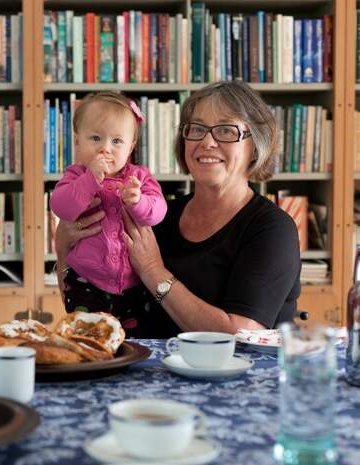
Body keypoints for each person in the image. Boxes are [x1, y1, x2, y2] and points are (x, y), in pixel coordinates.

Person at [55, 81, 301, 338]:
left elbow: (240, 334)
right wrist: (63, 251)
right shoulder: (153, 215)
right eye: (196, 129)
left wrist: (153, 270)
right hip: (155, 371)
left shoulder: (272, 229)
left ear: (255, 146)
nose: (207, 142)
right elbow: (89, 311)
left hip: (244, 375)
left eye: (226, 131)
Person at [49, 91, 167, 316]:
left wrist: (138, 201)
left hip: (134, 283)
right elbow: (60, 207)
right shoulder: (76, 175)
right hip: (85, 280)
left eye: (116, 141)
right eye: (95, 138)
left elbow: (158, 212)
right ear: (77, 141)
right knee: (86, 334)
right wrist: (90, 180)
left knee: (136, 342)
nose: (105, 148)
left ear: (130, 147)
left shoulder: (139, 177)